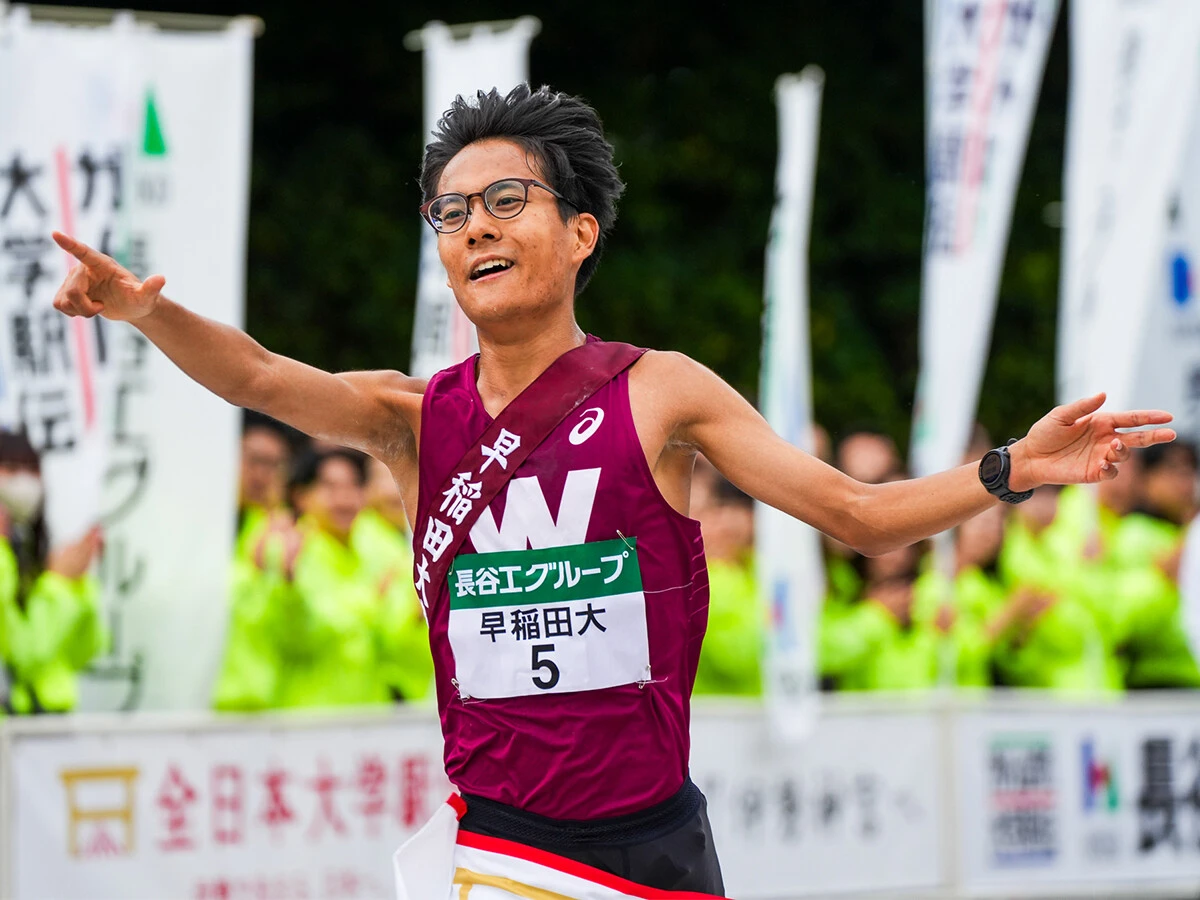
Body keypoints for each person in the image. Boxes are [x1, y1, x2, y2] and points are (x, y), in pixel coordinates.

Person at [48, 83, 1174, 897]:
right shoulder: (410, 419)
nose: (475, 225)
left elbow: (856, 514)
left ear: (580, 232)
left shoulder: (663, 392)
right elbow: (253, 374)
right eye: (452, 211)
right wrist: (144, 310)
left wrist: (1009, 470)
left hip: (658, 845)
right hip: (500, 850)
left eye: (506, 199)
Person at [0, 430, 107, 714]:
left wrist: (77, 585)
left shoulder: (31, 548)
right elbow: (25, 657)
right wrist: (58, 585)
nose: (23, 481)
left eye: (31, 469)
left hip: (46, 729)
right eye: (11, 468)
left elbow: (82, 654)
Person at [690, 456, 763, 697]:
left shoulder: (754, 568)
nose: (725, 522)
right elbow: (738, 656)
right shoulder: (707, 579)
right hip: (711, 722)